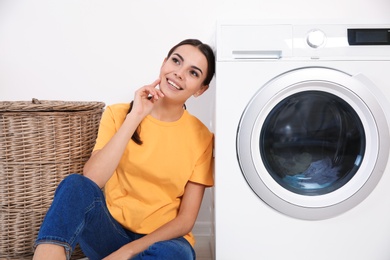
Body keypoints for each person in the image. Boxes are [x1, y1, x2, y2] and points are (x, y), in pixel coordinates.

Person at [32, 38, 216, 260]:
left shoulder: (202, 138)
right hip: (109, 232)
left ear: (201, 89)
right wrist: (135, 116)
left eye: (193, 73)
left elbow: (186, 220)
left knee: (178, 253)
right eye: (176, 61)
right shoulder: (118, 114)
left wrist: (128, 251)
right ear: (164, 63)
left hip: (159, 241)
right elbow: (93, 179)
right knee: (75, 186)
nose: (179, 73)